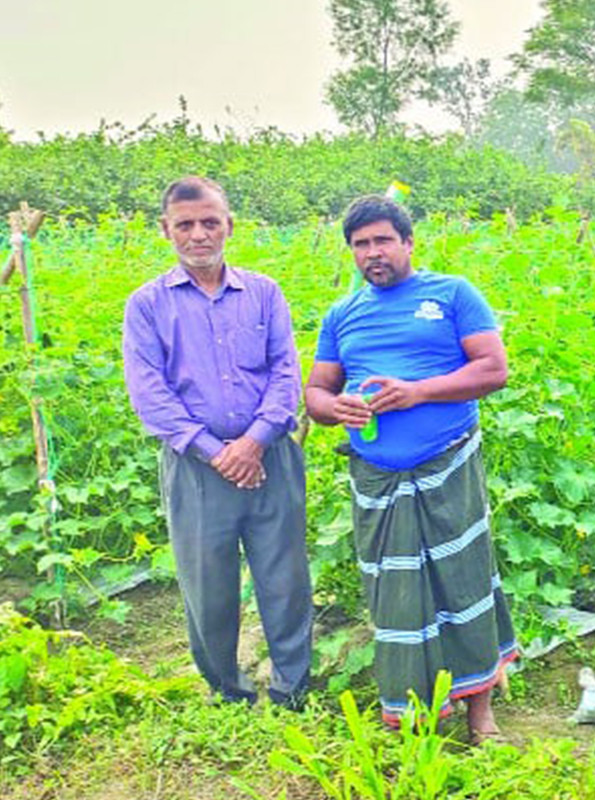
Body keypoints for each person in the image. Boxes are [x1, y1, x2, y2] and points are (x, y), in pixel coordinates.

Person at [304, 195, 516, 739]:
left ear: (408, 243)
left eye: (382, 241)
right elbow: (316, 394)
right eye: (360, 244)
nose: (373, 253)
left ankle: (480, 712)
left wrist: (417, 392)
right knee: (396, 596)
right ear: (351, 252)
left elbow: (493, 370)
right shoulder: (343, 315)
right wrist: (338, 408)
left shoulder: (451, 295)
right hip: (376, 477)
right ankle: (410, 709)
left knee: (462, 582)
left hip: (446, 465)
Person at [122, 176, 312, 708]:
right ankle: (228, 691)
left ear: (229, 225)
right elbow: (150, 394)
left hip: (271, 456)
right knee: (208, 586)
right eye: (186, 225)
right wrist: (217, 452)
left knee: (286, 578)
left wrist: (253, 442)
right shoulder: (147, 305)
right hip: (196, 467)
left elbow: (284, 374)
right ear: (166, 230)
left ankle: (292, 690)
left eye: (210, 222)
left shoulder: (265, 292)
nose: (199, 235)